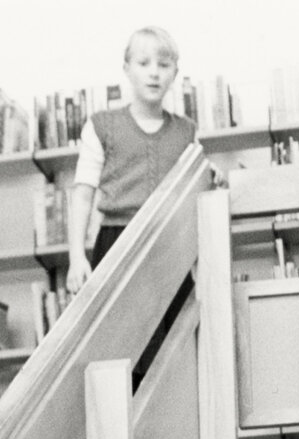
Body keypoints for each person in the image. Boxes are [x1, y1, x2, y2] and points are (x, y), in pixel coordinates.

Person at [65, 26, 196, 294]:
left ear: (175, 74)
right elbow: (82, 196)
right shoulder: (101, 126)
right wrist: (76, 258)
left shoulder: (187, 132)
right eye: (144, 63)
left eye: (164, 64)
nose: (154, 72)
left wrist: (209, 174)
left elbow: (196, 186)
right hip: (116, 243)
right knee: (121, 332)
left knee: (174, 330)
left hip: (168, 244)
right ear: (127, 69)